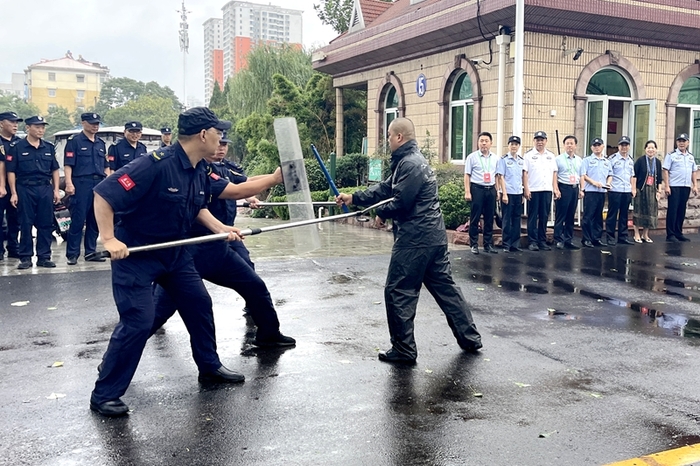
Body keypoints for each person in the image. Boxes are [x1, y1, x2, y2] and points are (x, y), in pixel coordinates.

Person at [90, 107, 283, 417]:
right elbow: (105, 194)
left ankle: (209, 368)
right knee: (139, 320)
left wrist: (222, 228)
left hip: (175, 253)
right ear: (203, 135)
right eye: (218, 133)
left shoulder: (199, 169)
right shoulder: (155, 165)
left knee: (198, 303)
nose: (221, 138)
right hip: (138, 254)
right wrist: (110, 239)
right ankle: (105, 394)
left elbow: (201, 203)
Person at [336, 117, 482, 365]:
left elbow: (401, 202)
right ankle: (470, 338)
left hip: (416, 239)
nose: (388, 140)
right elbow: (386, 189)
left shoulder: (410, 163)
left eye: (389, 136)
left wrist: (379, 213)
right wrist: (354, 198)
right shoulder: (409, 161)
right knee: (445, 289)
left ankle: (404, 349)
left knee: (398, 290)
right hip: (431, 238)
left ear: (399, 137)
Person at [151, 135, 295, 352]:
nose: (220, 147)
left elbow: (243, 182)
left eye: (223, 143)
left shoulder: (216, 170)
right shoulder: (186, 170)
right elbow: (236, 191)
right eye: (216, 141)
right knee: (159, 309)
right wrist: (274, 180)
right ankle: (116, 359)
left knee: (255, 286)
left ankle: (269, 334)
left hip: (217, 246)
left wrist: (276, 177)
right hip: (188, 250)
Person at [5, 116, 60, 269]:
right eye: (37, 127)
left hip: (44, 188)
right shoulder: (17, 147)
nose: (41, 130)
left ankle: (44, 256)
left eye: (43, 127)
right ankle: (25, 257)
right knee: (25, 223)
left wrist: (55, 190)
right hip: (25, 189)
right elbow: (11, 172)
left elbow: (55, 169)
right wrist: (14, 193)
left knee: (45, 224)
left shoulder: (48, 147)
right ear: (28, 128)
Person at [64, 112, 109, 265]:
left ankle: (90, 252)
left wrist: (107, 183)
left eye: (97, 123)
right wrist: (69, 183)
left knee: (95, 219)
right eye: (92, 123)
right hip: (81, 183)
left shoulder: (100, 143)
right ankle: (72, 254)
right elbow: (69, 164)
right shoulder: (75, 141)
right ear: (83, 123)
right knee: (78, 219)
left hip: (99, 183)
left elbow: (106, 166)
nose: (95, 126)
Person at [523, 131, 560, 251]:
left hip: (546, 190)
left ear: (546, 141)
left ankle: (542, 241)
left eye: (542, 140)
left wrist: (555, 188)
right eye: (537, 140)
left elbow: (554, 173)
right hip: (533, 190)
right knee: (533, 217)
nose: (540, 142)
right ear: (534, 141)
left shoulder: (551, 155)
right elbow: (525, 173)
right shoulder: (528, 155)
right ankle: (532, 241)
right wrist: (526, 189)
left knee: (544, 216)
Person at [464, 131, 499, 254]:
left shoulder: (495, 158)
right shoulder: (472, 157)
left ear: (491, 143)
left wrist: (497, 190)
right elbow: (467, 175)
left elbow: (496, 176)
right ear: (478, 143)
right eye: (481, 141)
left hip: (491, 189)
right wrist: (467, 191)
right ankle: (473, 244)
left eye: (486, 141)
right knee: (475, 217)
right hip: (477, 189)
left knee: (489, 218)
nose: (484, 143)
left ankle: (487, 244)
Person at [662, 133, 698, 242]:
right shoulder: (671, 155)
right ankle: (670, 234)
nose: (681, 143)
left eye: (683, 141)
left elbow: (694, 171)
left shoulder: (690, 157)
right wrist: (667, 186)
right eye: (679, 141)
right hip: (674, 186)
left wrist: (695, 185)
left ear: (688, 142)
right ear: (677, 142)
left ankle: (678, 232)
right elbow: (665, 170)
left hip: (685, 186)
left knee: (681, 210)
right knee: (673, 210)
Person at [579, 138, 612, 248]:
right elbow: (583, 175)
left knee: (598, 216)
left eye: (599, 145)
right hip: (591, 191)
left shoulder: (607, 162)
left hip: (601, 191)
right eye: (595, 145)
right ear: (591, 147)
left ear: (603, 146)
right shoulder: (587, 160)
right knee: (588, 216)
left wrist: (608, 183)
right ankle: (586, 239)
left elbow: (610, 175)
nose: (597, 147)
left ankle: (596, 238)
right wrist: (593, 182)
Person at [605, 136, 636, 245]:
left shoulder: (631, 160)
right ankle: (610, 236)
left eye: (626, 145)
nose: (624, 147)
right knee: (612, 214)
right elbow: (608, 173)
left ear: (629, 146)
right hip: (615, 190)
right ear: (618, 146)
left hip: (626, 190)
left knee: (624, 214)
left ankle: (623, 236)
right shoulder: (612, 159)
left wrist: (633, 188)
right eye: (622, 145)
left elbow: (632, 176)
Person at [0, 111, 23, 260]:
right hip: (1, 187)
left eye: (17, 122)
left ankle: (14, 248)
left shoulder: (20, 142)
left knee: (15, 219)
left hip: (16, 186)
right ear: (1, 123)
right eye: (12, 122)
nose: (15, 125)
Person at [496, 135, 524, 252]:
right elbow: (501, 177)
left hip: (518, 193)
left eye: (516, 144)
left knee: (517, 219)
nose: (514, 146)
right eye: (512, 144)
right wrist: (504, 194)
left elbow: (522, 177)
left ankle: (515, 244)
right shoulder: (503, 160)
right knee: (507, 219)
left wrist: (522, 194)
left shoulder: (521, 161)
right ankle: (506, 244)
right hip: (508, 193)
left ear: (518, 146)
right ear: (508, 145)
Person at [553, 135, 582, 250]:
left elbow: (581, 175)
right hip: (563, 188)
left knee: (571, 216)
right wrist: (556, 189)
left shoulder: (579, 160)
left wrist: (581, 189)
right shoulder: (558, 159)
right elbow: (554, 175)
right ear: (564, 145)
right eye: (567, 143)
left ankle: (568, 239)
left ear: (575, 145)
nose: (569, 145)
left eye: (572, 143)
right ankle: (559, 239)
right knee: (561, 215)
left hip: (574, 188)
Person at [632, 140, 663, 243]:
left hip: (652, 190)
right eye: (649, 148)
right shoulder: (640, 161)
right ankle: (636, 234)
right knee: (638, 211)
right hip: (641, 189)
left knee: (650, 212)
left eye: (653, 148)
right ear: (645, 149)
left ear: (656, 150)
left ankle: (645, 234)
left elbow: (659, 179)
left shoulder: (657, 162)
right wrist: (633, 189)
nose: (651, 150)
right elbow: (634, 175)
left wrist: (659, 191)